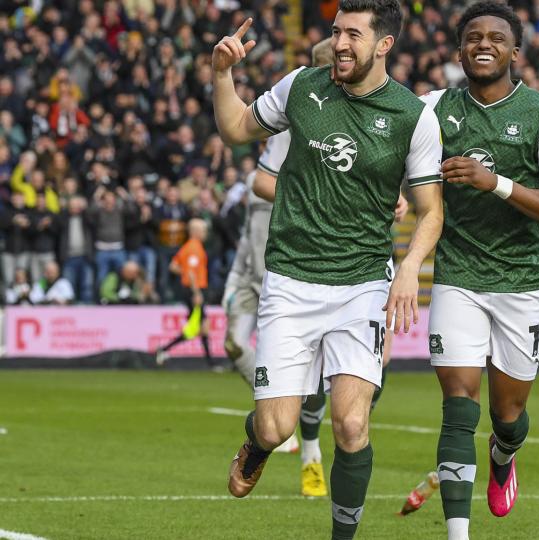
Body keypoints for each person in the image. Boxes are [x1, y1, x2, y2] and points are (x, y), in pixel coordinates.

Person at [213, 4, 444, 539]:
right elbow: (233, 130)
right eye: (336, 31)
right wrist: (222, 72)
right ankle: (256, 444)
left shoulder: (414, 116)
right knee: (277, 427)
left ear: (383, 44)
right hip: (291, 280)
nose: (339, 43)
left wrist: (410, 266)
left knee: (352, 423)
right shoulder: (301, 87)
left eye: (352, 35)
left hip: (363, 283)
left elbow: (431, 209)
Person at [419, 3, 539, 537]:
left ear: (515, 52)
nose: (482, 44)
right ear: (459, 50)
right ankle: (458, 533)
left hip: (523, 282)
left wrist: (497, 183)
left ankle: (503, 454)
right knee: (458, 402)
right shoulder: (432, 110)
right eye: (472, 37)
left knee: (508, 417)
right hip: (458, 276)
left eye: (495, 37)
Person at [222, 36, 409, 498]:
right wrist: (313, 185)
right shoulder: (299, 114)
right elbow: (259, 178)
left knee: (357, 403)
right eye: (330, 63)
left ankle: (321, 455)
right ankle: (283, 445)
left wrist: (391, 198)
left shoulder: (388, 114)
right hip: (298, 263)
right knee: (274, 425)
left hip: (361, 269)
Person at [155, 219, 212, 365]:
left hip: (189, 289)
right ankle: (165, 350)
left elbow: (173, 266)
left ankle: (209, 362)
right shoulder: (195, 248)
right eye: (203, 230)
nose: (205, 233)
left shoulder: (186, 247)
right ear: (196, 232)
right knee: (198, 327)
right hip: (194, 290)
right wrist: (196, 292)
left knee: (200, 326)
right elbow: (192, 272)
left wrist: (185, 272)